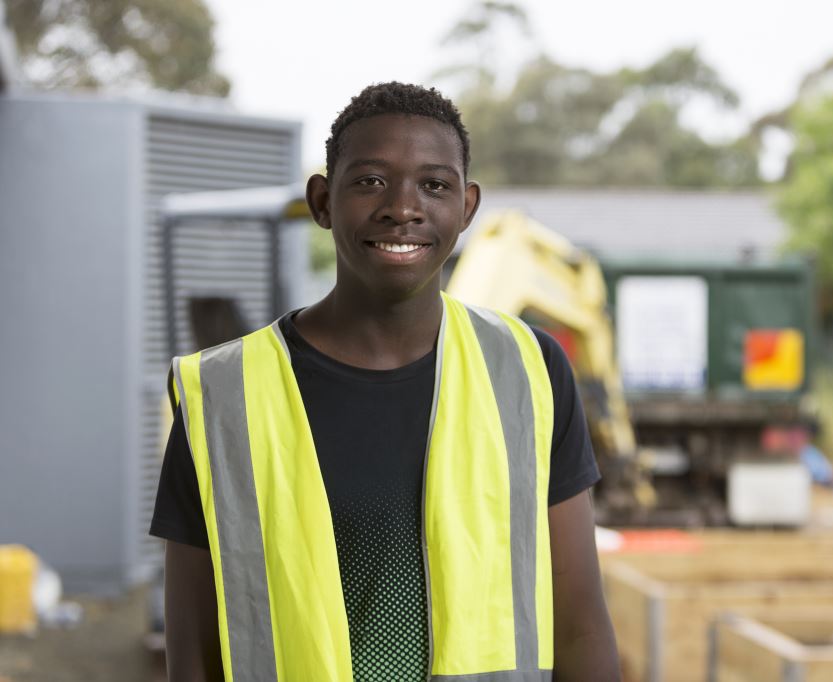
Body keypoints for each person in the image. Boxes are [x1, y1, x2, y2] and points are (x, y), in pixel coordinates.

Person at [150, 82, 620, 682]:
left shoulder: (530, 369)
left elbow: (580, 623)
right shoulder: (220, 394)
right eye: (370, 180)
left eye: (434, 184)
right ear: (322, 201)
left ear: (468, 207)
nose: (403, 206)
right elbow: (193, 654)